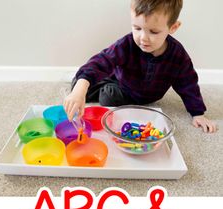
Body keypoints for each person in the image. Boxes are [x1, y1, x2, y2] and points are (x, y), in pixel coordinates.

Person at [64, 0, 217, 133]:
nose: (143, 38)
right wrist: (81, 87)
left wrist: (198, 114)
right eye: (137, 28)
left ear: (173, 27)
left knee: (108, 96)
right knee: (81, 84)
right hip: (123, 85)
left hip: (146, 96)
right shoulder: (127, 44)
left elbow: (188, 83)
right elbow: (102, 60)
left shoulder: (178, 56)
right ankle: (87, 81)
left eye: (154, 31)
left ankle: (99, 83)